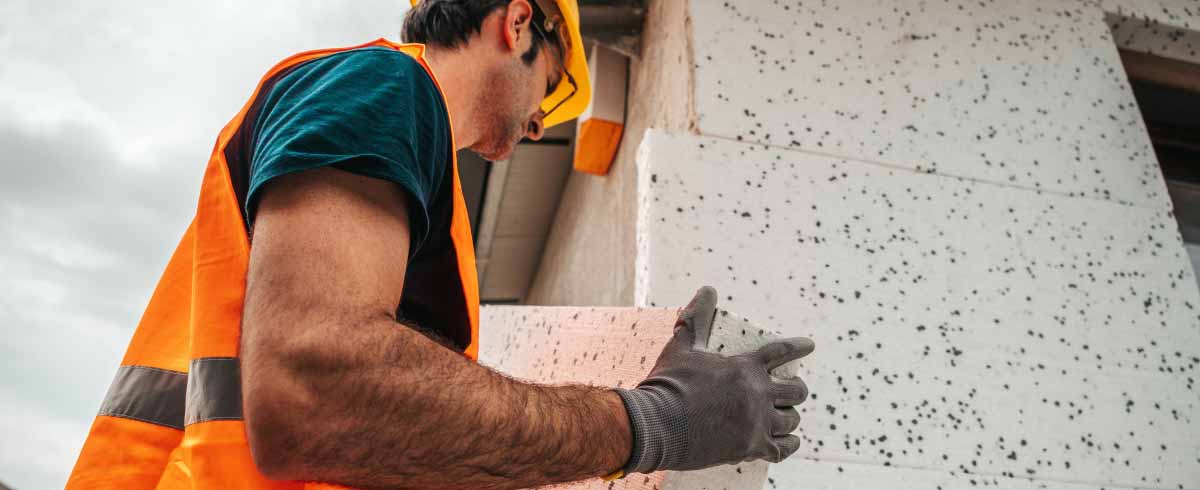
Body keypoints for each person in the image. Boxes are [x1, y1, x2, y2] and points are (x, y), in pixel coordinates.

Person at [67, 1, 815, 488]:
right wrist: (650, 423)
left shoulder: (418, 170)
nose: (538, 125)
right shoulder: (383, 87)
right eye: (552, 89)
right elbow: (313, 391)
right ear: (517, 23)